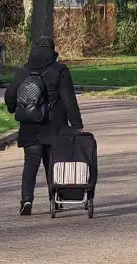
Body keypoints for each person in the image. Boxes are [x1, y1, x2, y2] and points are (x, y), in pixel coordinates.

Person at [5, 36, 84, 215]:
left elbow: (10, 94)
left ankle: (26, 200)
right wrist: (77, 124)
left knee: (30, 163)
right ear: (53, 51)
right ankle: (55, 199)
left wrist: (14, 108)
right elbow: (68, 100)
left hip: (29, 125)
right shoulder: (60, 70)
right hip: (54, 125)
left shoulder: (23, 71)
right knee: (53, 162)